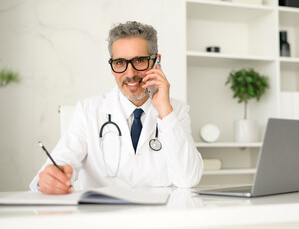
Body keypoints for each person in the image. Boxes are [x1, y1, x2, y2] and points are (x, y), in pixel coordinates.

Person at [30, 21, 203, 194]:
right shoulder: (88, 111)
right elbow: (60, 162)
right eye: (120, 63)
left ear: (156, 61)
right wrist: (49, 180)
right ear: (112, 66)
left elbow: (188, 178)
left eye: (140, 61)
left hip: (157, 217)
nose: (130, 74)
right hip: (103, 217)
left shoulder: (176, 111)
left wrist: (165, 111)